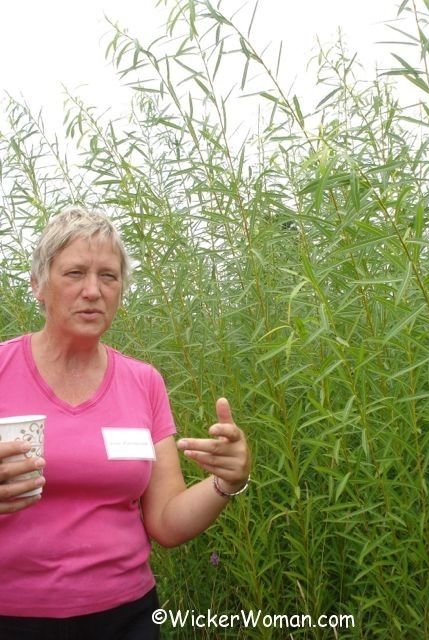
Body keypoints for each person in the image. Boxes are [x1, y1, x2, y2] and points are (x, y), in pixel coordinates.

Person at [0, 207, 251, 639]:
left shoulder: (143, 382)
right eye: (75, 273)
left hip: (127, 617)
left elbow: (168, 522)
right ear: (38, 285)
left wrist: (228, 481)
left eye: (109, 277)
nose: (93, 291)